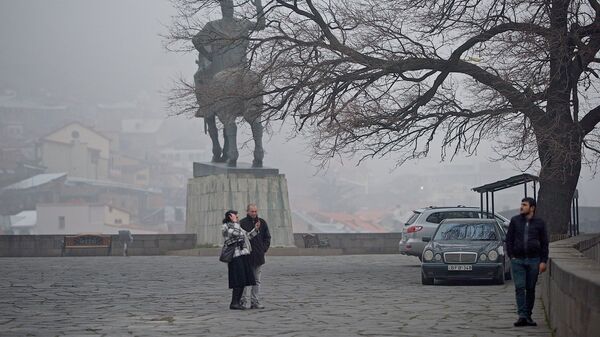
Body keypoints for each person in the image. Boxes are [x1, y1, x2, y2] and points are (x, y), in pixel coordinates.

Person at [506, 197, 549, 327]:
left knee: (530, 288)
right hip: (517, 260)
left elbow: (544, 243)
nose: (521, 207)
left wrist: (543, 261)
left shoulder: (539, 223)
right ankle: (522, 316)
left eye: (524, 205)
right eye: (521, 204)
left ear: (532, 208)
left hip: (534, 260)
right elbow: (509, 240)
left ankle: (528, 316)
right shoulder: (515, 221)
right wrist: (511, 256)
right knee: (519, 287)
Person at [222, 210, 260, 310]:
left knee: (243, 280)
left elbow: (246, 236)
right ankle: (234, 302)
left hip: (243, 255)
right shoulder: (226, 227)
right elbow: (235, 234)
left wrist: (255, 230)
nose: (237, 219)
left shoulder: (236, 226)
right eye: (236, 217)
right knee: (237, 280)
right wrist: (235, 223)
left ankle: (237, 302)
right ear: (230, 217)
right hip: (235, 256)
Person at [239, 203, 271, 309]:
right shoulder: (242, 223)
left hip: (258, 256)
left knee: (257, 281)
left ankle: (255, 302)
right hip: (246, 257)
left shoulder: (262, 223)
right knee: (244, 281)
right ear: (247, 211)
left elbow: (267, 237)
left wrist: (263, 249)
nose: (254, 213)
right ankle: (242, 301)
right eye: (252, 211)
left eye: (255, 211)